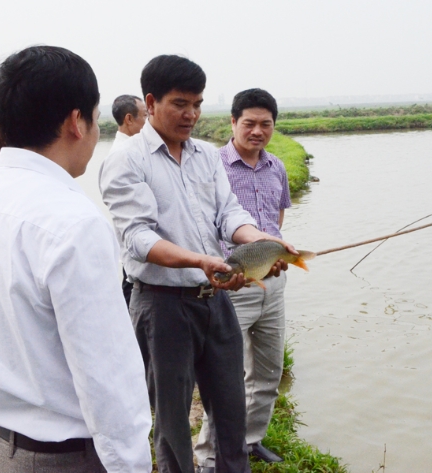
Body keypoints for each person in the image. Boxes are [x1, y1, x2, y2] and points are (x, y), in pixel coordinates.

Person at [0, 45, 152, 473]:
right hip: (60, 458)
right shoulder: (74, 222)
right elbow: (107, 379)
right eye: (96, 117)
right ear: (75, 121)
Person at [98, 55, 296, 473]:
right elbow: (137, 238)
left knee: (230, 411)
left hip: (216, 301)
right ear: (150, 103)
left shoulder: (206, 156)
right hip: (162, 305)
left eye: (198, 104)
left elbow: (230, 214)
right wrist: (200, 260)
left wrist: (262, 241)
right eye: (180, 103)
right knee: (171, 422)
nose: (191, 114)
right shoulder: (127, 160)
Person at [194, 89, 290, 469]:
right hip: (232, 285)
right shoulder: (212, 165)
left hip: (272, 283)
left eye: (265, 124)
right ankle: (207, 455)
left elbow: (276, 223)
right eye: (248, 123)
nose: (257, 131)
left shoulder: (277, 167)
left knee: (268, 370)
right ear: (233, 123)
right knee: (223, 376)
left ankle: (250, 440)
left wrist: (271, 259)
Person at [108, 94, 147, 306]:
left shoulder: (138, 149)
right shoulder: (122, 155)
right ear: (129, 119)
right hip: (136, 257)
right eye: (145, 116)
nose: (149, 122)